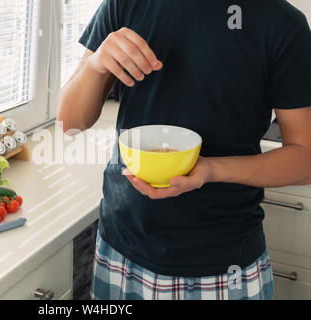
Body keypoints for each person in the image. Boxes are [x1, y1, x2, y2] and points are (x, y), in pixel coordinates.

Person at [58, 0, 311, 300]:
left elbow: (304, 157)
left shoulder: (282, 22)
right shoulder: (125, 3)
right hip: (120, 252)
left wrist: (211, 169)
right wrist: (96, 64)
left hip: (225, 268)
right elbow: (69, 120)